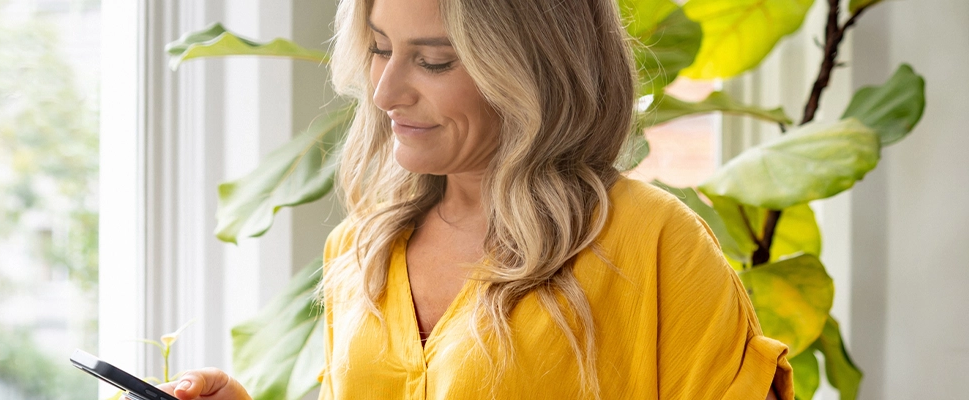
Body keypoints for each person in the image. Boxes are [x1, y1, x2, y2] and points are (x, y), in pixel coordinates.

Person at [155, 0, 795, 398]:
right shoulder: (361, 249)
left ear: (534, 69)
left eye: (433, 61)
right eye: (379, 49)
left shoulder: (653, 244)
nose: (385, 92)